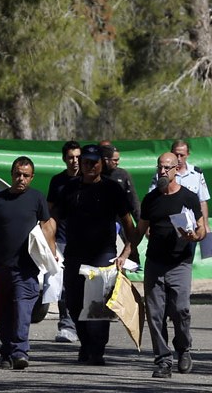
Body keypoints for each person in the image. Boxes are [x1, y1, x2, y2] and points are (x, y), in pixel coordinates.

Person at [51, 144, 134, 366]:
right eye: (85, 162)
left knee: (97, 306)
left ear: (101, 164)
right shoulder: (68, 189)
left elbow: (128, 222)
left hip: (103, 254)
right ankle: (86, 344)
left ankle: (97, 350)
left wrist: (127, 251)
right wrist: (49, 245)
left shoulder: (112, 189)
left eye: (93, 162)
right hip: (75, 254)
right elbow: (53, 219)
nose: (88, 166)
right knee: (75, 303)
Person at [0, 156, 55, 370]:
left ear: (32, 177)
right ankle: (7, 352)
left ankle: (20, 352)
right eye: (17, 174)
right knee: (3, 313)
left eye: (25, 175)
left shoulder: (37, 198)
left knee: (22, 308)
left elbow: (47, 227)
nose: (21, 178)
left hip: (26, 268)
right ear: (11, 174)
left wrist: (53, 255)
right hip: (1, 265)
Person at [136, 152, 205, 379]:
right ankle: (163, 361)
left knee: (180, 310)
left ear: (177, 169)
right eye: (160, 167)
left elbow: (202, 229)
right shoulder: (150, 200)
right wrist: (126, 252)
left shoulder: (189, 197)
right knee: (155, 314)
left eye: (168, 168)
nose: (163, 171)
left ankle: (184, 349)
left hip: (180, 263)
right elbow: (139, 230)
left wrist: (194, 236)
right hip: (155, 263)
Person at [46, 140, 81, 343]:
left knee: (86, 286)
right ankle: (66, 326)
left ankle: (85, 327)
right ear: (64, 159)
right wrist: (48, 239)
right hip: (62, 241)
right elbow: (50, 212)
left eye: (78, 157)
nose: (74, 161)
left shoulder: (90, 180)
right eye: (70, 157)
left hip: (86, 242)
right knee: (64, 285)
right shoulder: (57, 181)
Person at [148, 139, 211, 232]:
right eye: (176, 154)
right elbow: (151, 200)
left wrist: (205, 225)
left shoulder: (196, 174)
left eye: (182, 155)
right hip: (165, 225)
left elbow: (202, 201)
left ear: (188, 154)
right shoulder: (161, 174)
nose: (178, 158)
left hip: (190, 228)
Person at [99, 140, 141, 265]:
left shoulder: (123, 175)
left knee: (121, 264)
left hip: (120, 227)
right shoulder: (92, 176)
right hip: (97, 229)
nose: (117, 162)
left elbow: (133, 202)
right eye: (114, 160)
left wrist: (142, 224)